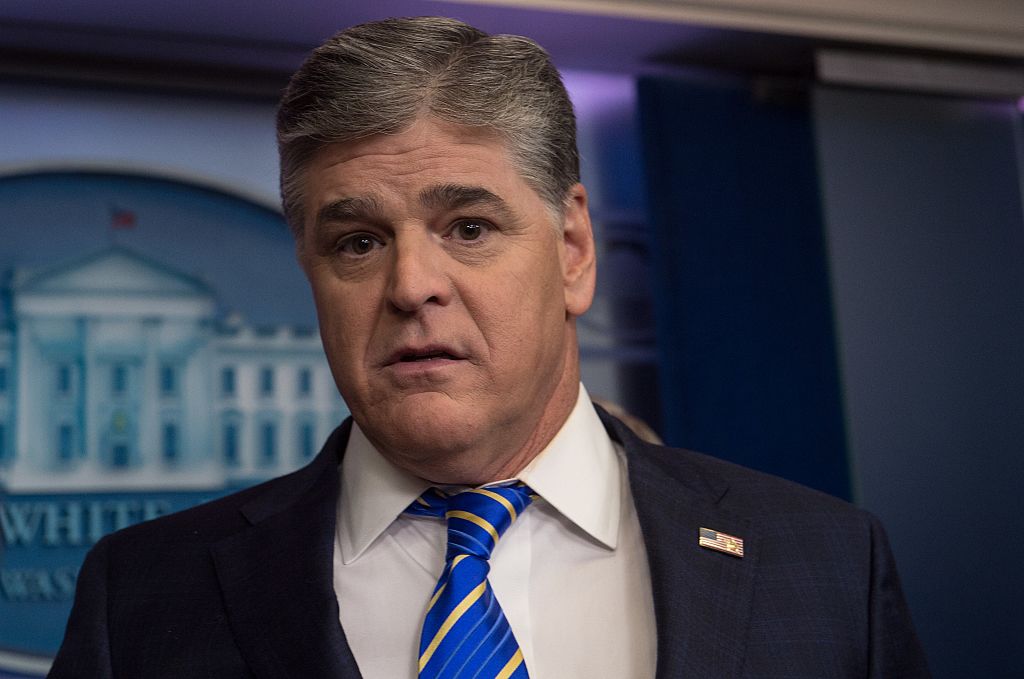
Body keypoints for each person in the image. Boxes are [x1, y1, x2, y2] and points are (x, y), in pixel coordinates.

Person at [49, 16, 930, 679]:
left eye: (468, 227)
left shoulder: (823, 568)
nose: (410, 285)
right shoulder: (141, 601)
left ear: (574, 250)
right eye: (358, 241)